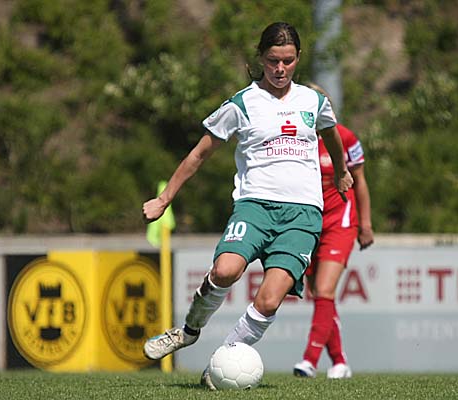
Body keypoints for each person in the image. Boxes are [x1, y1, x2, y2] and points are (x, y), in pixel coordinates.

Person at [141, 22, 353, 389]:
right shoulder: (242, 103)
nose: (280, 69)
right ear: (261, 58)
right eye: (273, 61)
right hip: (255, 206)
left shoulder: (313, 101)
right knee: (225, 270)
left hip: (303, 215)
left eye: (288, 61)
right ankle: (187, 331)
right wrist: (164, 199)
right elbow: (198, 154)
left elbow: (332, 135)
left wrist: (341, 172)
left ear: (298, 59)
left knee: (269, 301)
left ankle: (221, 363)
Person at [293, 83, 374, 379]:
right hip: (308, 221)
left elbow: (360, 180)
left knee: (325, 290)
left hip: (341, 220)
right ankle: (339, 361)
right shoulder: (294, 139)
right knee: (319, 294)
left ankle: (309, 360)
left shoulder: (345, 137)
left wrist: (366, 224)